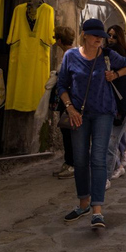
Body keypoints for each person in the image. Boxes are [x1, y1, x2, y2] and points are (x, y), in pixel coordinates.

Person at [57, 19, 126, 229]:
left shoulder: (108, 55)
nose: (99, 38)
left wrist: (115, 74)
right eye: (94, 35)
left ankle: (97, 211)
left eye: (101, 35)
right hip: (78, 114)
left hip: (103, 113)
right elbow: (62, 85)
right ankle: (83, 203)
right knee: (80, 160)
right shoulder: (70, 56)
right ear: (84, 35)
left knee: (98, 159)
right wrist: (70, 108)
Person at [105, 24, 126, 187]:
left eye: (114, 36)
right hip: (108, 103)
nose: (110, 39)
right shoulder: (105, 53)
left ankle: (110, 172)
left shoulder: (121, 55)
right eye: (108, 35)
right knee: (112, 140)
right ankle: (118, 163)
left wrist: (116, 74)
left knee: (112, 141)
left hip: (119, 103)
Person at [50, 26, 76, 179]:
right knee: (67, 132)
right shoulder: (71, 54)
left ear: (59, 40)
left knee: (68, 132)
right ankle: (68, 162)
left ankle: (72, 164)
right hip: (67, 98)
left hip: (69, 99)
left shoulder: (69, 55)